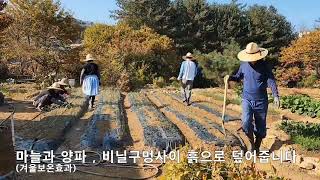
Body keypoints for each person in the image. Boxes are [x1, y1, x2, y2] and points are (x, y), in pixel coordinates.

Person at [226, 42, 280, 152]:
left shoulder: (264, 66)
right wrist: (230, 77)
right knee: (246, 122)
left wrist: (275, 96)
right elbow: (238, 77)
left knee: (260, 126)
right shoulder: (244, 65)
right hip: (247, 99)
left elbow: (271, 81)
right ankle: (251, 143)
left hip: (261, 101)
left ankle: (257, 146)